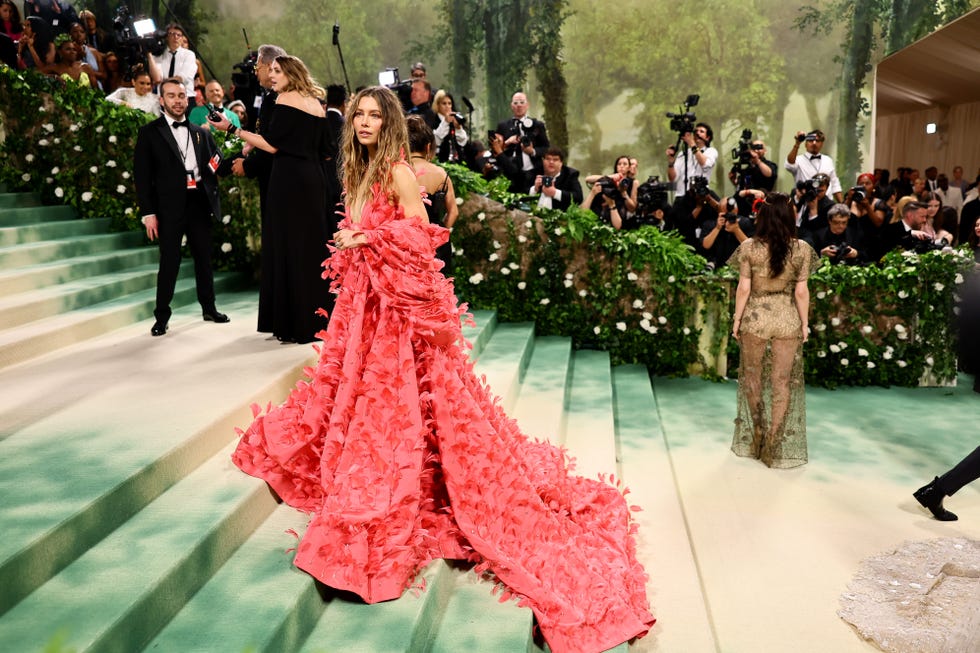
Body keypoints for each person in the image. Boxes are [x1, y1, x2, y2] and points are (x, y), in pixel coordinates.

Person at [230, 85, 655, 653]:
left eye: (376, 116)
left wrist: (369, 236)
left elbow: (419, 234)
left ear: (390, 126)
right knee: (357, 396)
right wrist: (354, 244)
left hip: (397, 315)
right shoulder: (355, 171)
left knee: (404, 407)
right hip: (364, 305)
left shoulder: (400, 173)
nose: (365, 123)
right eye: (360, 114)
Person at [211, 54, 331, 345]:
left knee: (289, 246)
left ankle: (294, 323)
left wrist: (234, 130)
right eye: (272, 70)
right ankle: (317, 321)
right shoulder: (316, 103)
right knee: (311, 249)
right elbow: (326, 150)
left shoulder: (286, 100)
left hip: (289, 179)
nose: (272, 75)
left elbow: (272, 145)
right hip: (313, 179)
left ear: (291, 73)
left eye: (278, 71)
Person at [133, 77, 229, 337]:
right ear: (161, 100)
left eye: (181, 95)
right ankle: (161, 317)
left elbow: (218, 162)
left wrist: (241, 147)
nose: (178, 100)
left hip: (199, 202)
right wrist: (148, 214)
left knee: (204, 259)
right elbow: (142, 178)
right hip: (168, 208)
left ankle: (209, 308)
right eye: (172, 96)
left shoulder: (201, 133)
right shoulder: (149, 133)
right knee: (170, 262)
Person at [729, 191, 818, 468]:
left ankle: (758, 430)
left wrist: (736, 319)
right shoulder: (802, 249)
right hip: (786, 318)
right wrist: (804, 324)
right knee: (781, 383)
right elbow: (801, 292)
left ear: (762, 216)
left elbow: (744, 287)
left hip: (755, 317)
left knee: (752, 378)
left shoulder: (749, 249)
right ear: (789, 216)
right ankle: (776, 438)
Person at [229, 43, 286, 334]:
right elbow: (265, 137)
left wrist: (247, 165)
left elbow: (276, 147)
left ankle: (284, 318)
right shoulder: (270, 97)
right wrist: (248, 147)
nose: (258, 72)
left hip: (280, 181)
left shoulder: (282, 99)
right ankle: (278, 317)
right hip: (272, 180)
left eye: (260, 67)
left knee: (280, 249)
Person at [407, 115, 458, 269]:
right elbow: (453, 212)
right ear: (429, 147)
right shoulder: (441, 173)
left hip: (407, 241)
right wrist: (440, 234)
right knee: (437, 289)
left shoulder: (399, 172)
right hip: (437, 242)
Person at [495, 91, 549, 193]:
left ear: (527, 105)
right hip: (512, 172)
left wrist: (532, 151)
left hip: (534, 172)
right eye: (515, 103)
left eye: (522, 102)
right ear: (511, 106)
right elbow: (496, 149)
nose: (519, 105)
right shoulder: (503, 126)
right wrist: (507, 142)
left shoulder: (537, 125)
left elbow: (546, 148)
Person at [785, 129, 843, 203]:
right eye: (811, 141)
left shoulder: (828, 160)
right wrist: (797, 143)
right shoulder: (798, 160)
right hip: (805, 202)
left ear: (822, 144)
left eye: (817, 141)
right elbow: (789, 164)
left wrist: (842, 204)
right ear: (806, 144)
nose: (814, 143)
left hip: (826, 204)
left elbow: (835, 184)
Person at [666, 122, 717, 199]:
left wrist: (691, 143)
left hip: (699, 197)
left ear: (708, 137)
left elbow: (705, 164)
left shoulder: (711, 151)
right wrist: (671, 162)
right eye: (696, 131)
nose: (697, 133)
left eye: (701, 131)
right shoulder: (682, 153)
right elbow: (672, 179)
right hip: (681, 196)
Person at [530, 146, 583, 212]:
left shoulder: (570, 175)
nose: (551, 162)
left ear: (561, 163)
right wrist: (535, 189)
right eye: (548, 159)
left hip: (560, 218)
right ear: (543, 161)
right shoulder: (535, 173)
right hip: (533, 215)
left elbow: (578, 198)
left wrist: (555, 193)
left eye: (555, 160)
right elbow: (520, 193)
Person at [432, 89, 468, 164]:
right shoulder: (433, 119)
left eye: (449, 103)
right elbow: (436, 141)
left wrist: (458, 128)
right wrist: (445, 122)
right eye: (444, 103)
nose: (447, 106)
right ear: (437, 105)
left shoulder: (455, 119)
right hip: (439, 161)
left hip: (457, 161)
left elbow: (463, 141)